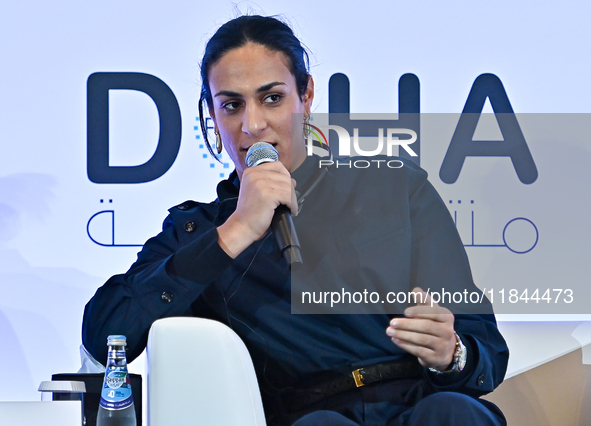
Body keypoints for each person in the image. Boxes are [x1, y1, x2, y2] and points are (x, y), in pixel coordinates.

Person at [82, 15, 509, 426]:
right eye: (231, 105)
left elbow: (485, 346)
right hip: (310, 415)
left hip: (422, 402)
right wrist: (235, 232)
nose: (253, 124)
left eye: (272, 98)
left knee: (455, 413)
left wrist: (452, 353)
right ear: (211, 116)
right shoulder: (198, 231)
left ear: (305, 95)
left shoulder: (396, 189)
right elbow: (105, 336)